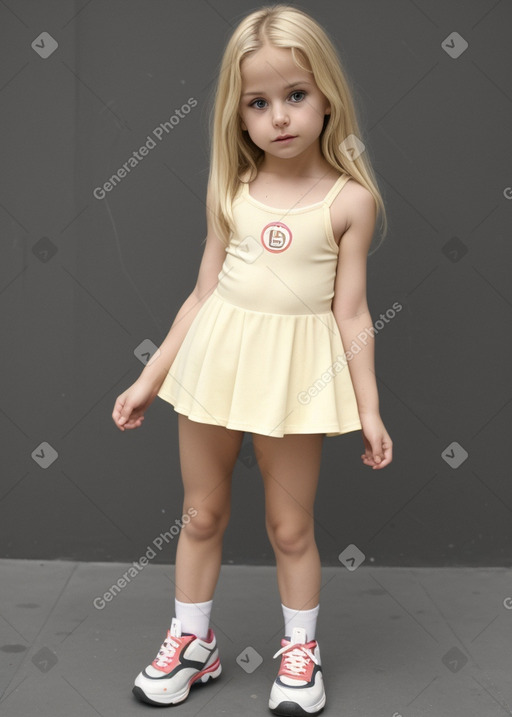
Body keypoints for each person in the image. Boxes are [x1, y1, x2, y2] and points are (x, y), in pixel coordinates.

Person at [112, 4, 393, 715]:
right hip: (215, 364)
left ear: (326, 95)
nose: (280, 117)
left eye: (295, 95)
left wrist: (368, 406)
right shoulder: (230, 192)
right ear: (239, 116)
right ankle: (193, 641)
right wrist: (151, 376)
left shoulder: (349, 201)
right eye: (259, 103)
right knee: (200, 514)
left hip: (297, 379)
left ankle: (301, 650)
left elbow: (352, 311)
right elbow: (202, 294)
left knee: (290, 525)